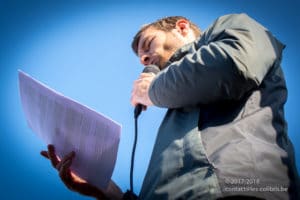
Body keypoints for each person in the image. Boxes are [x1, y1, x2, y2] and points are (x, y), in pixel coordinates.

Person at [41, 13, 299, 199]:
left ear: (182, 28)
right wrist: (103, 189)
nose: (144, 58)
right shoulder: (174, 108)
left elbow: (232, 66)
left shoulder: (233, 25)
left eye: (148, 45)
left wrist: (150, 90)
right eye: (141, 58)